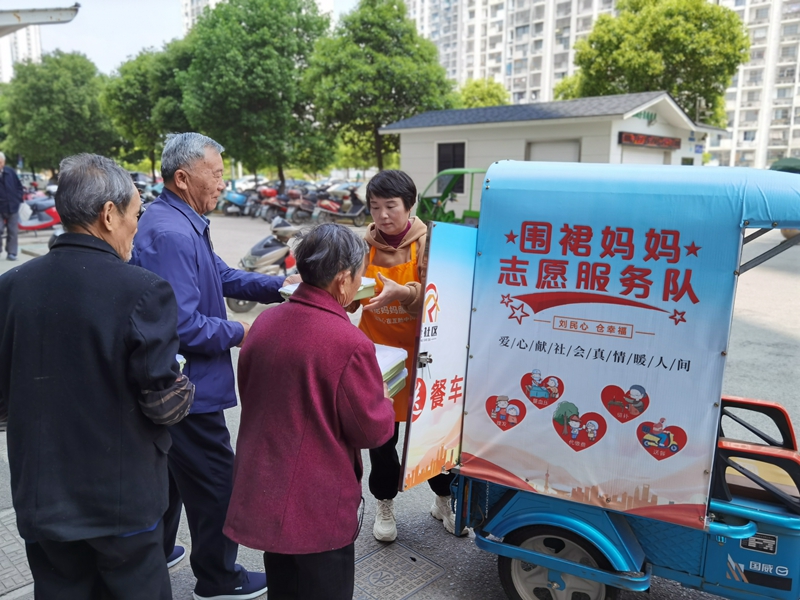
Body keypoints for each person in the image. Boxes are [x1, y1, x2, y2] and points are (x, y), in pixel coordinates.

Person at [0, 153, 195, 598]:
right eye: (135, 214)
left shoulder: (10, 287)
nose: (136, 227)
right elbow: (163, 405)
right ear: (109, 214)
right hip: (122, 502)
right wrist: (184, 384)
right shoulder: (143, 289)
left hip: (42, 498)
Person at [132, 132, 295, 600]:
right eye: (217, 174)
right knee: (217, 483)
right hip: (188, 388)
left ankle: (157, 551)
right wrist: (245, 331)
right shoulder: (170, 233)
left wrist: (280, 287)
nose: (224, 183)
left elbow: (219, 274)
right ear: (183, 178)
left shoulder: (181, 220)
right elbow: (183, 325)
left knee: (172, 476)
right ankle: (218, 578)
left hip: (178, 383)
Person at [225, 223, 395, 600]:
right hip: (317, 504)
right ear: (344, 279)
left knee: (283, 586)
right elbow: (371, 431)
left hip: (267, 490)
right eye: (360, 275)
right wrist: (382, 399)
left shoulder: (265, 322)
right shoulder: (348, 343)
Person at [354, 169, 462, 542]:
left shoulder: (430, 242)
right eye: (375, 207)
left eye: (391, 206)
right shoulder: (361, 246)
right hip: (377, 356)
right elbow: (345, 292)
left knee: (432, 434)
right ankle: (384, 503)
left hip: (423, 355)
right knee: (382, 438)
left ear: (410, 205)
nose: (383, 215)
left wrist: (404, 293)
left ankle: (444, 500)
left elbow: (439, 294)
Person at [0, 152, 23, 261]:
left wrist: (18, 198)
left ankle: (12, 253)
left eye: (1, 162)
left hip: (13, 205)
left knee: (13, 231)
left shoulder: (10, 171)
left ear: (4, 162)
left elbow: (19, 186)